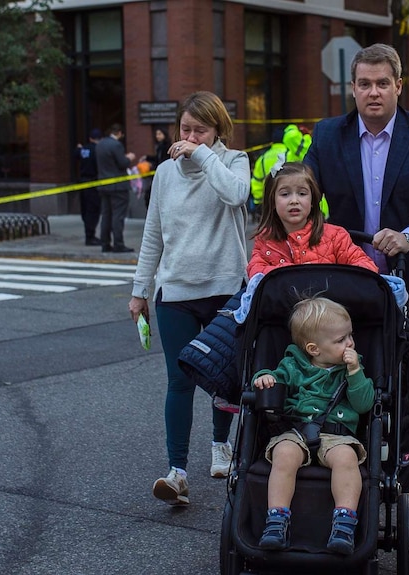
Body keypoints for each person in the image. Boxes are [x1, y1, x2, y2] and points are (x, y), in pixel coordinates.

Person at [128, 91, 250, 505]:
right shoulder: (164, 173)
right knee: (179, 380)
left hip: (225, 287)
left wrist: (202, 155)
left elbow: (235, 194)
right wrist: (139, 290)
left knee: (223, 380)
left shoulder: (233, 161)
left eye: (201, 130)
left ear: (218, 132)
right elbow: (153, 233)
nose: (191, 137)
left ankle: (221, 447)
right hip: (175, 291)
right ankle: (176, 472)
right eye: (186, 129)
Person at [304, 43, 409, 330]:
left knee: (405, 370)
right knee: (347, 367)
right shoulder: (327, 134)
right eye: (365, 84)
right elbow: (304, 192)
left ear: (398, 86)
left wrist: (408, 238)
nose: (373, 92)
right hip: (345, 278)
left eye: (382, 83)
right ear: (353, 88)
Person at [252, 296, 375, 555]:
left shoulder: (352, 368)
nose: (350, 343)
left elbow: (364, 404)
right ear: (313, 349)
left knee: (347, 458)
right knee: (283, 454)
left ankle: (344, 520)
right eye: (340, 340)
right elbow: (276, 379)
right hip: (296, 429)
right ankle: (277, 518)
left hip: (337, 434)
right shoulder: (293, 365)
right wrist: (264, 377)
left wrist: (355, 372)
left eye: (350, 336)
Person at [248, 162, 378, 277]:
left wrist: (336, 278)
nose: (294, 201)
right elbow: (255, 272)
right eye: (285, 194)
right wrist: (287, 274)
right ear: (272, 201)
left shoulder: (335, 236)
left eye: (302, 193)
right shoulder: (265, 239)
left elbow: (367, 267)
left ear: (312, 200)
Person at [96, 123, 136, 253]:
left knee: (106, 215)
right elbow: (122, 163)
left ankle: (105, 243)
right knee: (118, 216)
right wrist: (129, 158)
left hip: (104, 184)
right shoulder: (116, 145)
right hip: (118, 186)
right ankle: (118, 243)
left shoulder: (100, 144)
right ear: (119, 133)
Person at [250, 126, 290, 215]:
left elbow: (256, 181)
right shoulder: (289, 154)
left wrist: (258, 202)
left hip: (268, 203)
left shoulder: (262, 158)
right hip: (288, 201)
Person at [74, 128, 103, 246]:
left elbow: (75, 154)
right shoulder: (98, 150)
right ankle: (90, 236)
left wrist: (79, 148)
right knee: (93, 210)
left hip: (82, 181)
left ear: (90, 138)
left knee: (85, 209)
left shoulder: (83, 149)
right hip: (93, 182)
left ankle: (88, 234)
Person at [142, 128, 172, 208]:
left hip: (164, 175)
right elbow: (157, 158)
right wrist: (147, 158)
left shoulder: (167, 146)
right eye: (156, 134)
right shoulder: (159, 146)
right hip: (157, 173)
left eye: (159, 134)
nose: (157, 136)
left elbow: (164, 160)